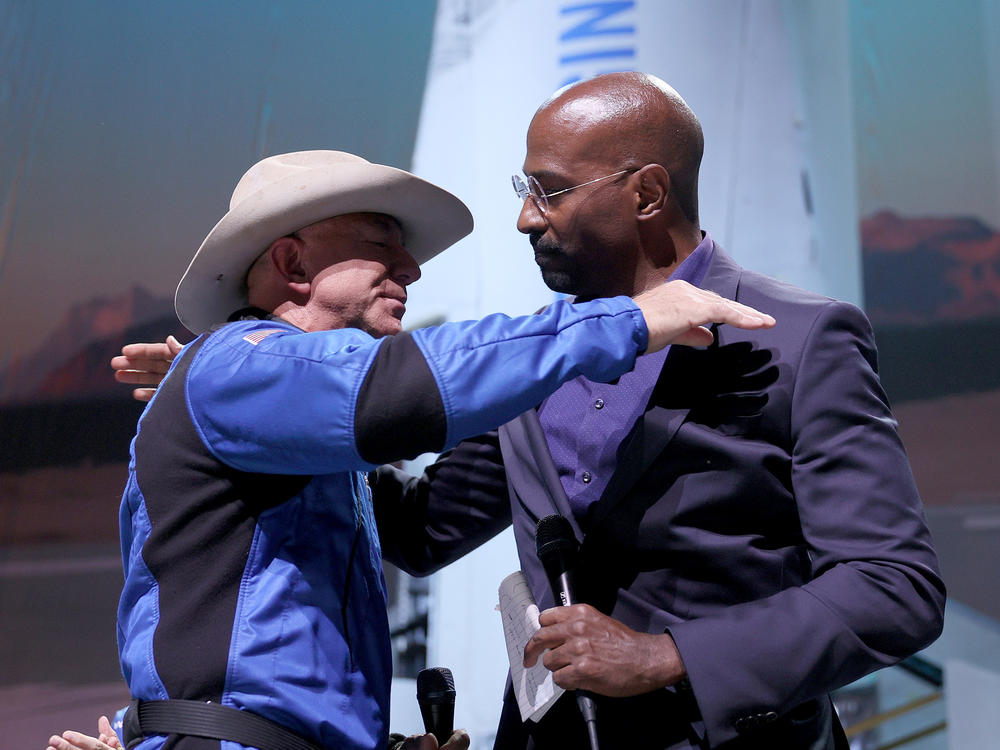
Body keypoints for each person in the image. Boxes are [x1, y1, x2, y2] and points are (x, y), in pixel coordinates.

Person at [114, 74, 944, 748]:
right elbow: (422, 527)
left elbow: (894, 588)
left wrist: (665, 656)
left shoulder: (798, 336)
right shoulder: (536, 356)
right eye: (525, 189)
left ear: (648, 191)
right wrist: (239, 402)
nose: (524, 218)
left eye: (547, 191)